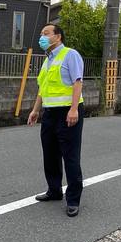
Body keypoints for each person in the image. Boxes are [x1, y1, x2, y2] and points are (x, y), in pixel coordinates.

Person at [27, 23, 84, 217]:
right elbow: (43, 89)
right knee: (50, 154)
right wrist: (35, 110)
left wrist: (74, 109)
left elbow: (78, 82)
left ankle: (73, 199)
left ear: (58, 36)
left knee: (70, 155)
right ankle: (54, 190)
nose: (42, 37)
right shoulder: (47, 61)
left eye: (46, 33)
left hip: (68, 111)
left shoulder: (70, 54)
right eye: (41, 33)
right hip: (49, 113)